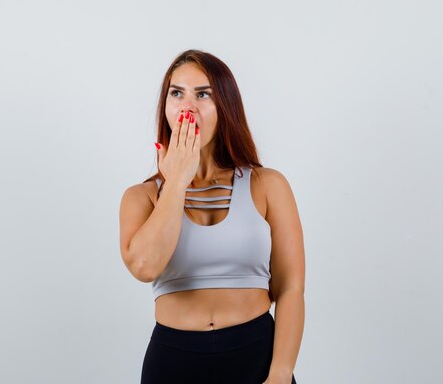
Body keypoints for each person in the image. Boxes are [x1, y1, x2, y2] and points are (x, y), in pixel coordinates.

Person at [119, 49, 304, 384]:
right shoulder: (141, 197)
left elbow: (291, 287)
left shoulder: (268, 186)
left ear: (225, 107)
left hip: (257, 355)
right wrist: (176, 181)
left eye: (203, 94)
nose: (187, 107)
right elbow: (144, 267)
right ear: (166, 106)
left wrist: (280, 373)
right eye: (177, 93)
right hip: (173, 362)